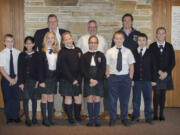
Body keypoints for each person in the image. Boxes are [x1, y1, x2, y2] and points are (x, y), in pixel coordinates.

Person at [77, 20, 108, 115]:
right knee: (88, 96)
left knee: (98, 96)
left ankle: (99, 113)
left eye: (94, 27)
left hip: (99, 73)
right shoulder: (82, 39)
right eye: (90, 27)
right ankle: (87, 113)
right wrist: (89, 78)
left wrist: (98, 78)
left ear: (97, 28)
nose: (92, 29)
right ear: (88, 28)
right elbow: (78, 54)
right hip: (86, 73)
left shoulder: (102, 39)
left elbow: (105, 55)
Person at [106, 32, 135, 127]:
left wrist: (130, 77)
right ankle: (113, 118)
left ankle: (124, 118)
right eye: (116, 38)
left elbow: (131, 65)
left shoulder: (128, 51)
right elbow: (107, 65)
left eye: (120, 38)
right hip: (113, 78)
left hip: (125, 78)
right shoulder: (109, 51)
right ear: (114, 40)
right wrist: (108, 75)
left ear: (123, 40)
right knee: (112, 100)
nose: (118, 40)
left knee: (124, 100)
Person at [149, 27, 175, 121]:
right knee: (156, 94)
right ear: (156, 35)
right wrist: (159, 71)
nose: (160, 35)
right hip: (156, 74)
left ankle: (161, 113)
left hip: (166, 74)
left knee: (163, 94)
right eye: (159, 33)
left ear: (165, 35)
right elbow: (151, 61)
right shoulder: (152, 46)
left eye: (162, 33)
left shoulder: (169, 46)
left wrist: (166, 72)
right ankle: (155, 113)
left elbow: (172, 62)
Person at [57, 32, 82, 125]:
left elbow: (81, 66)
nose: (68, 41)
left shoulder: (78, 50)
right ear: (63, 42)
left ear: (72, 39)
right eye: (65, 39)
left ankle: (77, 117)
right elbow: (63, 68)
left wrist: (78, 79)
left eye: (69, 38)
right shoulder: (62, 52)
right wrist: (73, 80)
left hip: (77, 79)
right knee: (68, 98)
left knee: (78, 97)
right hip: (66, 79)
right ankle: (71, 119)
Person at [131, 33, 156, 125]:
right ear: (137, 41)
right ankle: (135, 116)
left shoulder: (150, 52)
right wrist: (131, 79)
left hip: (147, 80)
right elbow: (131, 67)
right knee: (136, 99)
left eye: (143, 40)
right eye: (139, 40)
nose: (141, 42)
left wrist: (153, 80)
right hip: (136, 81)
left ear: (146, 41)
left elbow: (154, 67)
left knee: (148, 99)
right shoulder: (133, 52)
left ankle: (148, 117)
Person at [81, 35, 106, 127]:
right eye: (91, 42)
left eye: (95, 42)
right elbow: (83, 69)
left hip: (98, 80)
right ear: (88, 44)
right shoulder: (84, 56)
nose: (93, 44)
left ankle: (96, 120)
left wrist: (96, 80)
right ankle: (90, 120)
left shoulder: (101, 55)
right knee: (90, 98)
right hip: (88, 79)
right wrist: (90, 79)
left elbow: (103, 69)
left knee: (97, 98)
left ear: (97, 44)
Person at [18, 36, 40, 126]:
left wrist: (38, 81)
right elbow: (19, 69)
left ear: (33, 44)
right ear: (24, 45)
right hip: (25, 81)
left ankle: (34, 118)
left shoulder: (37, 55)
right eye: (27, 43)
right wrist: (21, 82)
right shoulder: (22, 55)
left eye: (30, 43)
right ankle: (27, 118)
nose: (29, 44)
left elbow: (39, 69)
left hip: (34, 81)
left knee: (34, 100)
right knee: (26, 99)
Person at [39, 32, 59, 126]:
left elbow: (58, 66)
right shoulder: (42, 52)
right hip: (45, 76)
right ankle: (44, 119)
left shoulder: (56, 51)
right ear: (45, 39)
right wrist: (41, 81)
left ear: (54, 39)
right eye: (48, 38)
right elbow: (39, 68)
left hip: (53, 76)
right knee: (44, 97)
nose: (50, 39)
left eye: (52, 38)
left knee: (51, 97)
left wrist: (57, 79)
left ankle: (50, 118)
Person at [0, 34, 21, 124]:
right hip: (6, 78)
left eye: (11, 41)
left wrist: (16, 78)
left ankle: (16, 116)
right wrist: (10, 79)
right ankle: (9, 117)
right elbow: (1, 68)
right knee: (7, 98)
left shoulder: (18, 52)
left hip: (16, 77)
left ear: (14, 42)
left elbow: (21, 67)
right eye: (7, 41)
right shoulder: (1, 54)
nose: (10, 43)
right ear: (4, 42)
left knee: (16, 97)